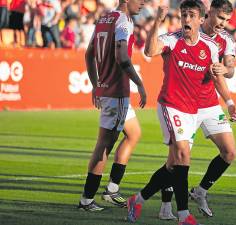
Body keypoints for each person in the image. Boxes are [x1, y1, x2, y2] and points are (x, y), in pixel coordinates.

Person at [126, 1, 219, 224]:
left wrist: (222, 74)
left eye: (191, 15)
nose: (186, 19)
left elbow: (216, 74)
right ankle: (184, 215)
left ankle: (137, 199)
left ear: (201, 19)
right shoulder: (172, 40)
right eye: (183, 14)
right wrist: (157, 21)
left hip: (191, 110)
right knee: (183, 157)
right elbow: (149, 50)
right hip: (170, 105)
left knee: (172, 165)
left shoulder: (210, 48)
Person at [157, 0, 236, 219]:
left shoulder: (226, 40)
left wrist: (226, 69)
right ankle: (166, 205)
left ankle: (200, 191)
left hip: (210, 103)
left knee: (230, 151)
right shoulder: (190, 28)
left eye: (227, 20)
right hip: (185, 103)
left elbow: (229, 69)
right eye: (220, 18)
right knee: (176, 158)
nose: (223, 24)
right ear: (208, 13)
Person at [77, 0, 146, 211]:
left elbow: (89, 53)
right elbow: (122, 57)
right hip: (117, 93)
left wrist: (96, 84)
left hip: (108, 89)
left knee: (134, 134)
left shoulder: (104, 18)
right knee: (104, 145)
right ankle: (87, 200)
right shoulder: (124, 21)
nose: (143, 3)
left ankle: (112, 190)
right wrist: (140, 84)